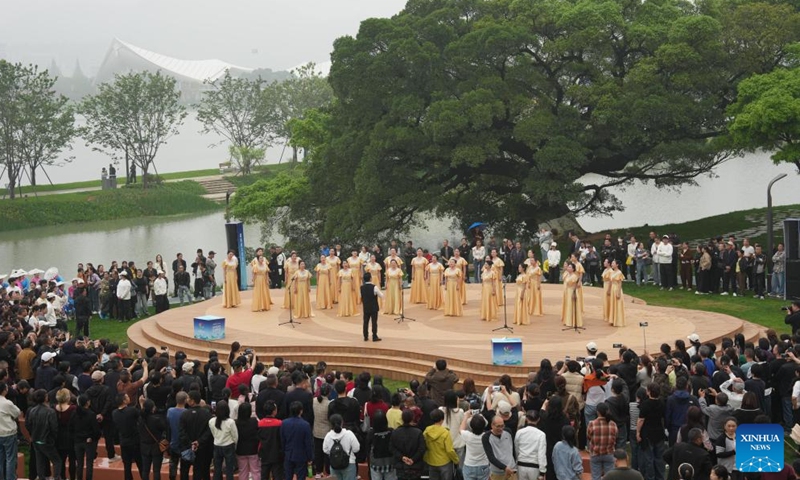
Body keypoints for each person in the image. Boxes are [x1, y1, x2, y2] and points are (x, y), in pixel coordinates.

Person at [179, 391, 213, 480]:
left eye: (188, 398)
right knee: (199, 471)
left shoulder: (184, 414)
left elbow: (182, 432)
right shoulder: (207, 414)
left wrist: (190, 443)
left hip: (186, 448)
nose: (187, 400)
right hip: (202, 448)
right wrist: (199, 442)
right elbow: (209, 432)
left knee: (184, 471)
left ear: (193, 401)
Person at [280, 401, 314, 480]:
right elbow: (308, 443)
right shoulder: (305, 425)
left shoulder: (284, 423)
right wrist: (310, 457)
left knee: (288, 476)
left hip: (288, 454)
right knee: (301, 477)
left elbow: (282, 440)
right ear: (301, 411)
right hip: (301, 455)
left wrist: (284, 452)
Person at [71, 393, 100, 480]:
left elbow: (70, 427)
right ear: (87, 402)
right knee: (89, 464)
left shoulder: (74, 413)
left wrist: (75, 437)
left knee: (79, 464)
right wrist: (93, 438)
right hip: (89, 442)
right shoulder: (91, 414)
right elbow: (96, 430)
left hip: (77, 441)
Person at [424, 409, 459, 480]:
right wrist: (456, 460)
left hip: (431, 460)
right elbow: (449, 450)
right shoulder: (445, 432)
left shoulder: (427, 431)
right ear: (442, 419)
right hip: (444, 462)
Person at [390, 410, 426, 480]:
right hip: (415, 466)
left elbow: (391, 447)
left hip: (401, 466)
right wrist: (413, 459)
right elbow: (422, 449)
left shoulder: (395, 432)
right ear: (412, 418)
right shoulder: (418, 432)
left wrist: (402, 457)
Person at [323, 414, 360, 480]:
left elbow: (325, 450)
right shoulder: (349, 434)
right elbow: (356, 448)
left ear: (331, 424)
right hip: (349, 463)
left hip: (334, 464)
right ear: (342, 422)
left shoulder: (328, 436)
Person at [587, 402, 618, 480]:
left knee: (595, 477)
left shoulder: (592, 424)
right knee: (610, 477)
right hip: (609, 453)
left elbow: (589, 437)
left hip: (596, 454)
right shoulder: (613, 424)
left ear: (597, 412)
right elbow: (615, 437)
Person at [514, 410, 547, 480]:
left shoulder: (519, 432)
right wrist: (542, 471)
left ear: (526, 418)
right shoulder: (541, 434)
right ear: (538, 419)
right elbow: (541, 454)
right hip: (534, 466)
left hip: (521, 464)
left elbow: (516, 449)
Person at [209, 401, 238, 480]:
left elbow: (213, 433)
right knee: (229, 469)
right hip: (229, 446)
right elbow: (235, 436)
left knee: (217, 469)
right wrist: (234, 444)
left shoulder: (211, 421)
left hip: (217, 445)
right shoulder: (230, 422)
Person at [139, 399, 167, 480]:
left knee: (145, 470)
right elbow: (164, 428)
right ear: (153, 408)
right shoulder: (156, 420)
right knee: (156, 470)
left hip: (144, 447)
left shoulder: (140, 420)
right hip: (156, 447)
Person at [257, 400, 283, 480]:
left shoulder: (260, 423)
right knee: (277, 475)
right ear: (274, 411)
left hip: (264, 453)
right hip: (276, 453)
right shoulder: (279, 423)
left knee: (264, 474)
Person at [0, 382, 20, 480]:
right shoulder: (7, 403)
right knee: (10, 459)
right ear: (4, 390)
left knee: (0, 458)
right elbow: (17, 413)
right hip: (8, 433)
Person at [361, 273, 384, 342]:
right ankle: (374, 336)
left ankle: (365, 336)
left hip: (366, 307)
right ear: (370, 278)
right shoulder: (374, 287)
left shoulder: (362, 287)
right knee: (374, 322)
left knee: (365, 322)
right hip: (373, 307)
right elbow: (381, 295)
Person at [561, 263, 582, 328]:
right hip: (567, 291)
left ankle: (574, 321)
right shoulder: (567, 275)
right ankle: (568, 321)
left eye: (570, 267)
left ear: (573, 269)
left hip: (572, 291)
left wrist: (574, 293)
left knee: (572, 306)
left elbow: (576, 286)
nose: (568, 268)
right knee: (568, 306)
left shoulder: (574, 276)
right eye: (568, 267)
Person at [609, 260, 626, 327]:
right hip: (613, 288)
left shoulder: (619, 273)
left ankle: (618, 321)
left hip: (616, 289)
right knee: (613, 304)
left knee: (617, 305)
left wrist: (618, 292)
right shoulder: (612, 272)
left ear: (617, 265)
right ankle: (613, 319)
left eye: (613, 263)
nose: (612, 264)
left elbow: (620, 283)